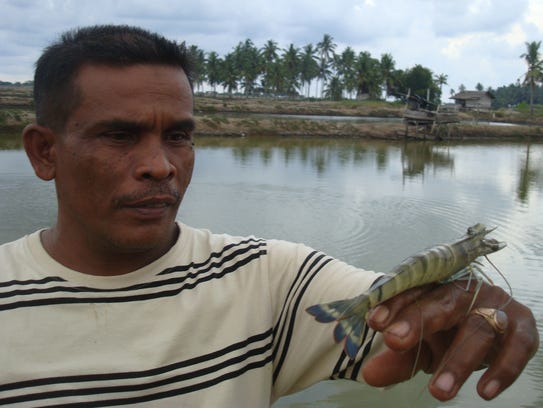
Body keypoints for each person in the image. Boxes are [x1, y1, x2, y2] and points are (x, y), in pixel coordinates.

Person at [0, 25, 537, 407]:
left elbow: (405, 308)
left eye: (180, 136)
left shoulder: (269, 280)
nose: (161, 167)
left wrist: (476, 310)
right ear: (44, 151)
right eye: (119, 135)